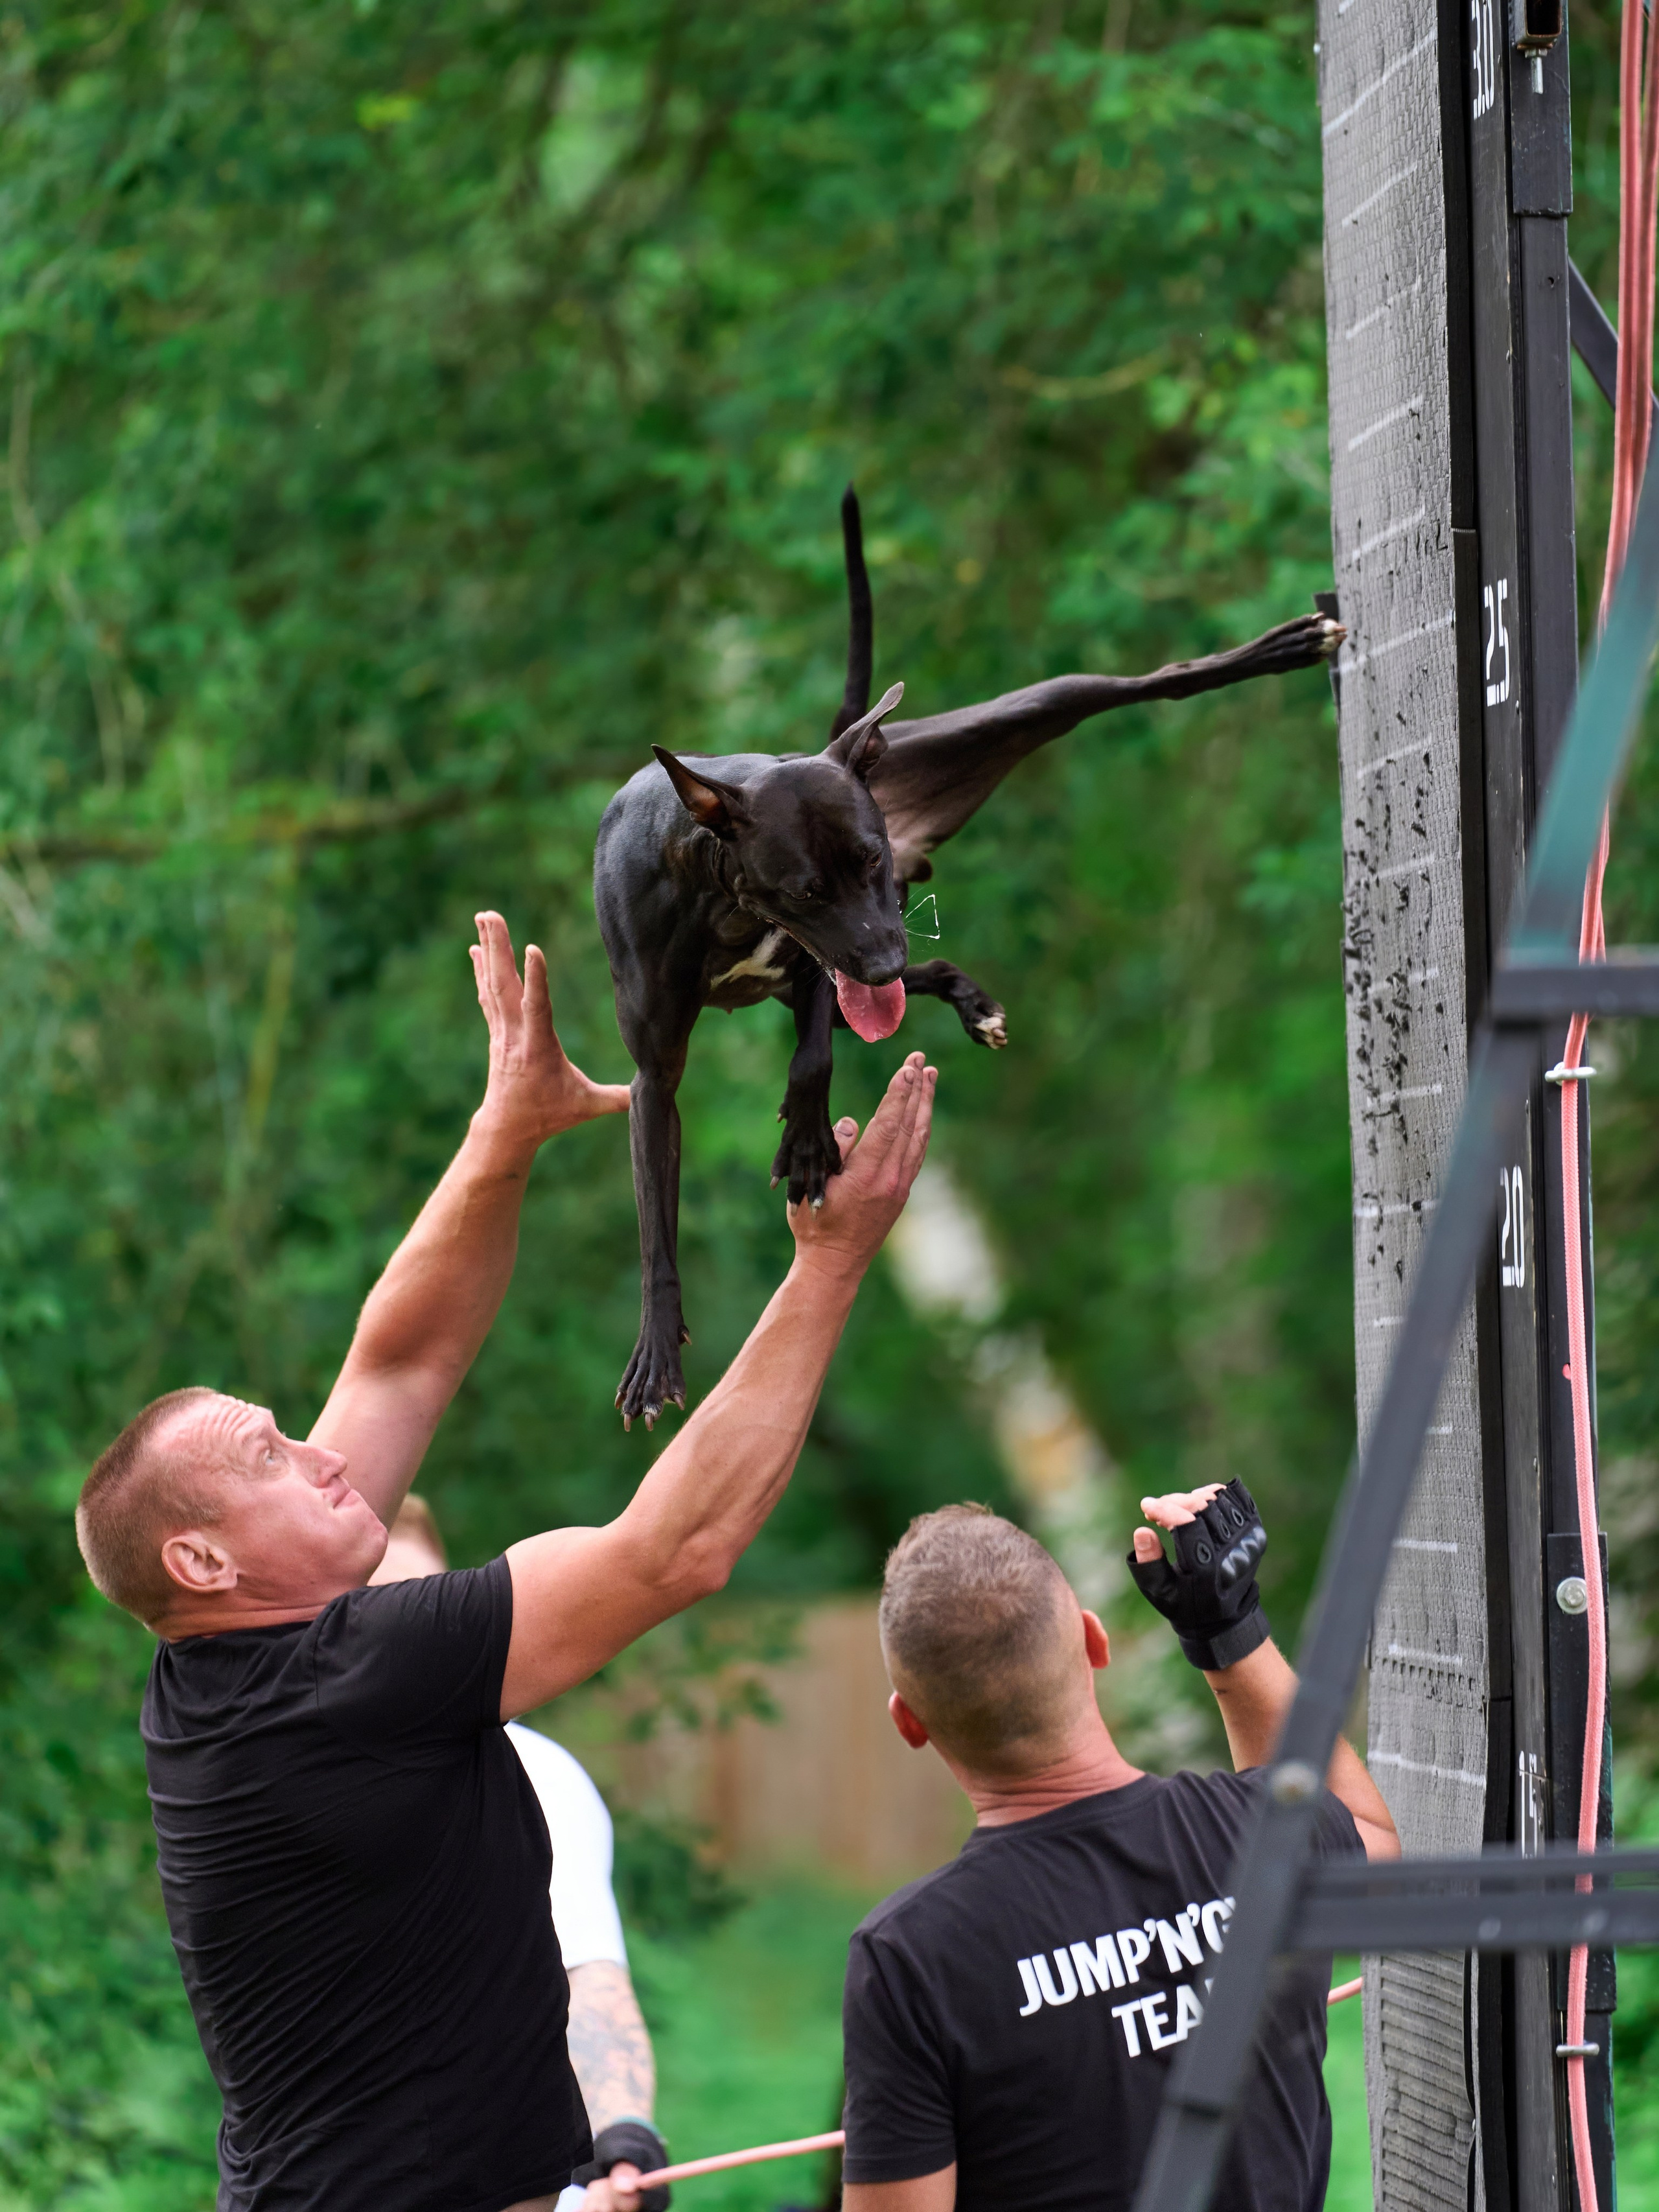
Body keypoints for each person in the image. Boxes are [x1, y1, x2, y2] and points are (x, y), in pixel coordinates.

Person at [73, 911, 936, 2212]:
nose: (319, 1453)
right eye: (270, 1451)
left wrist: (507, 1128)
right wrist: (831, 1263)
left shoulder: (242, 1644)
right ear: (200, 1555)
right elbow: (675, 1549)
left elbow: (400, 1359)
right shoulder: (342, 1675)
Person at [833, 1489, 1398, 2212]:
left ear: (909, 1721)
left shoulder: (911, 1955)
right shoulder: (1251, 1835)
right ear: (1095, 1643)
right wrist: (1230, 1631)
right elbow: (1369, 1839)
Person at [372, 1496, 660, 2207]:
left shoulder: (538, 1774)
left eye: (426, 1607)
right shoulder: (270, 1784)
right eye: (381, 1614)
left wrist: (621, 2136)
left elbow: (585, 1971)